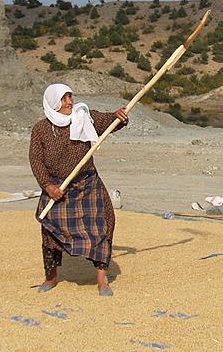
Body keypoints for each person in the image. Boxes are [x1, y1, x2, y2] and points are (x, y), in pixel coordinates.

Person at [29, 83, 128, 295]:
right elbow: (36, 160)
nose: (69, 102)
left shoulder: (84, 117)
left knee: (103, 226)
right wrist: (48, 186)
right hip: (58, 189)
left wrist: (118, 116)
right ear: (53, 103)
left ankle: (102, 280)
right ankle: (51, 277)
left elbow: (110, 121)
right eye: (64, 98)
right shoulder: (41, 130)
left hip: (88, 184)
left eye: (70, 97)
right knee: (49, 233)